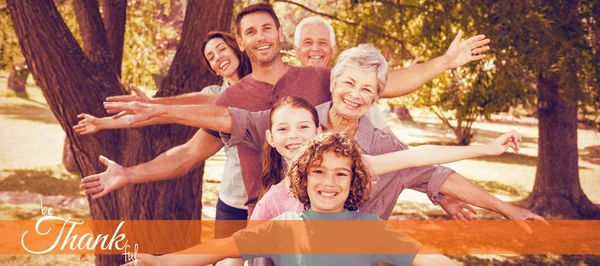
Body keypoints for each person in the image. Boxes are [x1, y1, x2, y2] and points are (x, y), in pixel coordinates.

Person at [88, 3, 492, 218]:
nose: (260, 37)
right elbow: (188, 155)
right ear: (241, 43)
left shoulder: (318, 77)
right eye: (250, 32)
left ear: (280, 33)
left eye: (267, 28)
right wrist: (128, 174)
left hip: (317, 210)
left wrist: (444, 62)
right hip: (261, 210)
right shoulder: (233, 98)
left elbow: (389, 80)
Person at [96, 44, 545, 230]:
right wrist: (159, 109)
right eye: (349, 84)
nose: (355, 95)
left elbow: (437, 172)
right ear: (334, 82)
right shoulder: (297, 122)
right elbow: (227, 117)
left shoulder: (382, 145)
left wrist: (508, 208)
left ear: (375, 97)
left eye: (367, 89)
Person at [123, 132, 459, 266]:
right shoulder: (282, 228)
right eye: (318, 172)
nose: (329, 182)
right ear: (304, 178)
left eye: (341, 173)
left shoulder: (370, 230)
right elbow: (218, 250)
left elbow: (427, 260)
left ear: (354, 182)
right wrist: (162, 262)